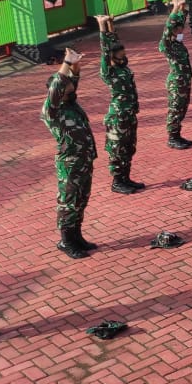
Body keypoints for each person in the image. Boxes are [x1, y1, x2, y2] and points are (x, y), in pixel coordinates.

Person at [41, 46, 98, 259]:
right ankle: (66, 241)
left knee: (82, 198)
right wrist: (65, 63)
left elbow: (74, 79)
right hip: (70, 162)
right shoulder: (52, 111)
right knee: (69, 200)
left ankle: (76, 237)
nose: (71, 90)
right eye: (66, 89)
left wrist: (75, 63)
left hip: (83, 159)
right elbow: (59, 85)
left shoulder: (71, 103)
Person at [97, 16, 144, 194]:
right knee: (117, 149)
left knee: (129, 147)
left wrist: (111, 24)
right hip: (118, 116)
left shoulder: (123, 68)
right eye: (119, 54)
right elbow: (105, 50)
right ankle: (117, 182)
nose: (123, 55)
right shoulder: (108, 72)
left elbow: (115, 44)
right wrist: (102, 27)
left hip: (129, 114)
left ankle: (126, 178)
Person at [160, 0, 192, 150]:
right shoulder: (167, 44)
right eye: (178, 30)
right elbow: (169, 27)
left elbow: (179, 22)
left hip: (184, 80)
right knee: (175, 109)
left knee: (183, 107)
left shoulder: (177, 42)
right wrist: (174, 8)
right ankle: (172, 137)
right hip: (176, 81)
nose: (181, 32)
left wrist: (182, 7)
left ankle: (177, 135)